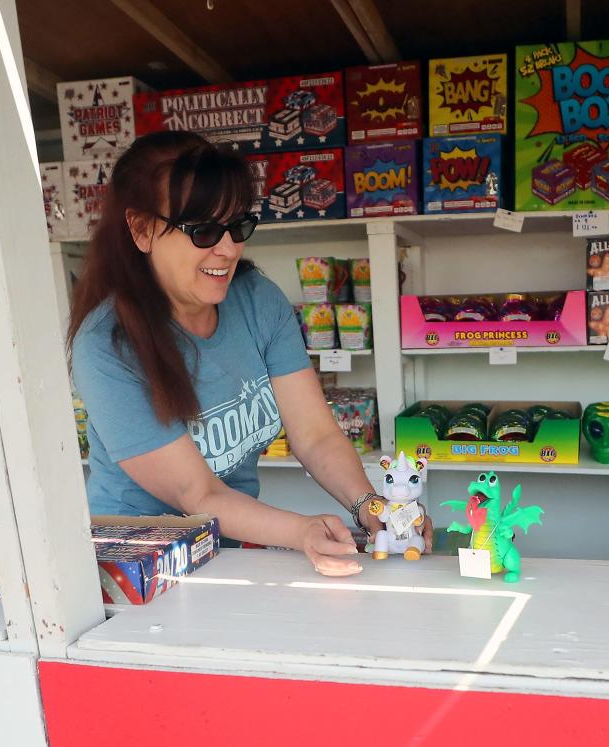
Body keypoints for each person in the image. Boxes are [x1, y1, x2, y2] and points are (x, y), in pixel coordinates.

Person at [69, 131, 430, 576]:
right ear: (142, 230)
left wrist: (372, 506)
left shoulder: (256, 300)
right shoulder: (105, 347)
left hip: (228, 548)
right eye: (203, 230)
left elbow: (315, 434)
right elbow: (197, 495)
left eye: (238, 225)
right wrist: (302, 531)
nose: (228, 249)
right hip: (140, 568)